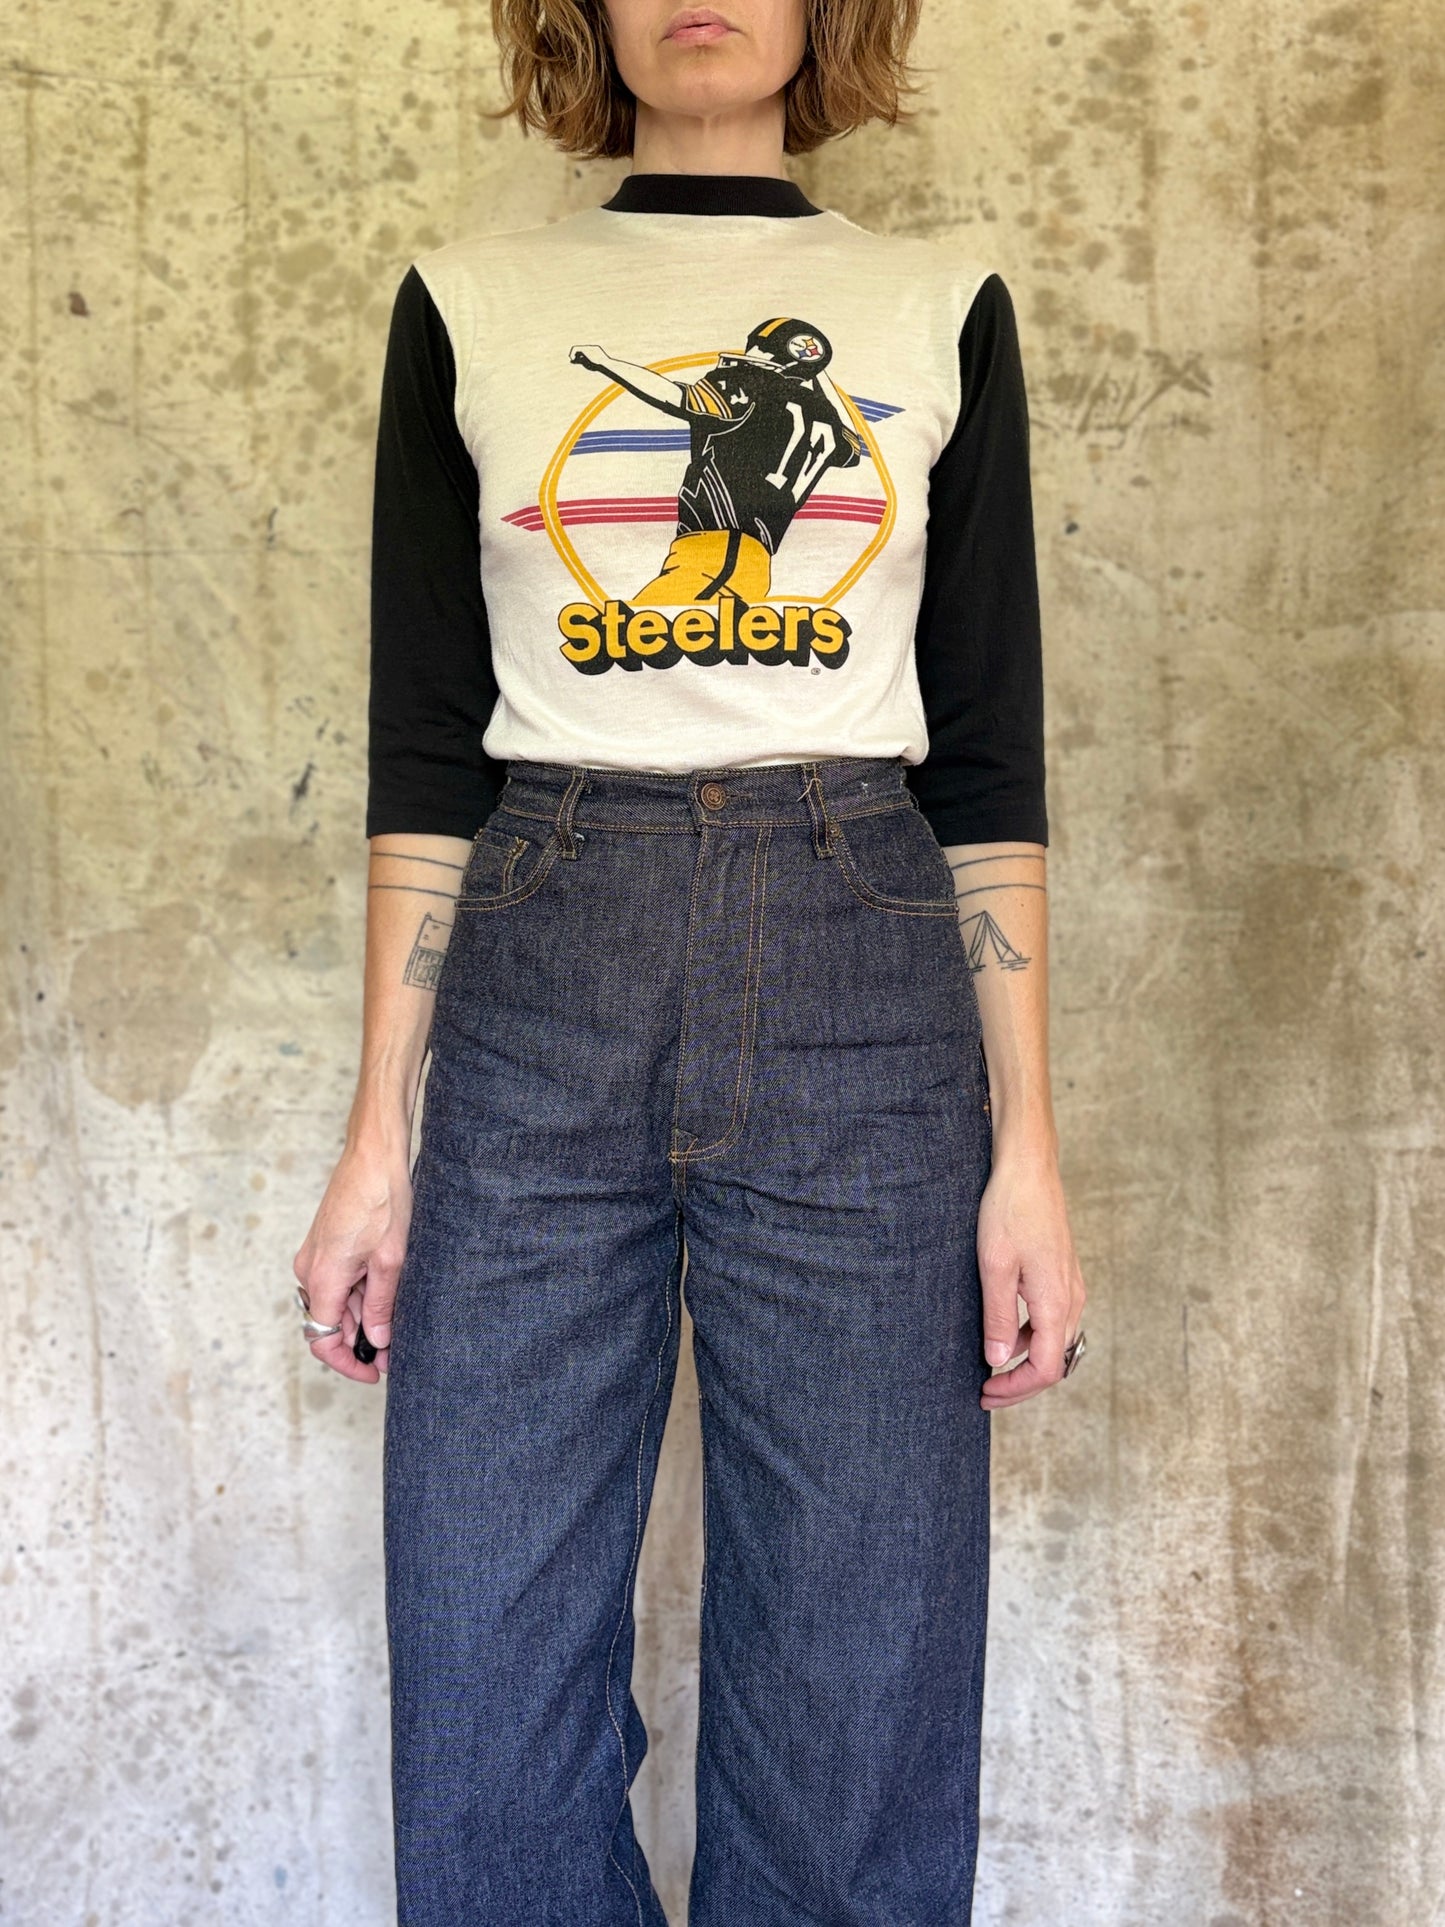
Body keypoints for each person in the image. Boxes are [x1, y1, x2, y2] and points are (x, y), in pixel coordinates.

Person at [293, 0, 1089, 1919]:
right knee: (484, 1650)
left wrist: (1028, 1153)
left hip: (858, 957)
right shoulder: (469, 303)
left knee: (861, 1653)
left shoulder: (936, 306)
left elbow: (984, 760)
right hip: (545, 945)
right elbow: (427, 756)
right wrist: (379, 1140)